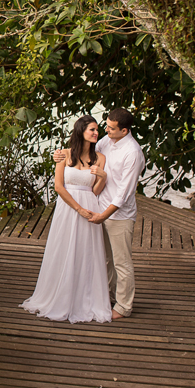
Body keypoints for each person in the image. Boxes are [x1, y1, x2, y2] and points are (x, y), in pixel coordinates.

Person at [53, 108, 145, 320]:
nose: (105, 130)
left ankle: (123, 307)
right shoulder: (106, 141)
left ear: (124, 130)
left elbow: (124, 193)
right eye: (106, 126)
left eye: (111, 128)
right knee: (104, 259)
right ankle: (107, 296)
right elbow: (85, 153)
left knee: (122, 262)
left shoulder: (132, 152)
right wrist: (60, 154)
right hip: (97, 206)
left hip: (117, 213)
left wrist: (104, 215)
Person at [20, 115, 112, 323]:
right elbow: (59, 187)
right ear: (81, 131)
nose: (96, 133)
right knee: (63, 248)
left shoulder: (100, 158)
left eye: (97, 130)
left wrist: (103, 177)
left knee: (87, 252)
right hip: (69, 206)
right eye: (92, 129)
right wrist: (78, 208)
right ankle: (58, 295)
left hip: (90, 204)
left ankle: (86, 299)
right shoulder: (63, 154)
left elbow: (95, 190)